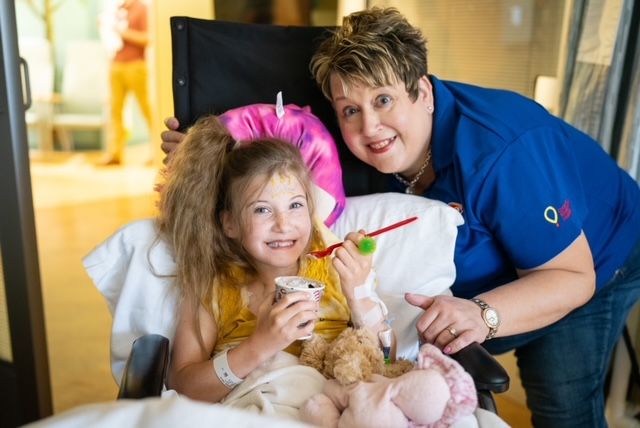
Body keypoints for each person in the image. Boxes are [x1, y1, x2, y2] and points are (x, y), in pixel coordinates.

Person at [160, 7, 640, 426]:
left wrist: (483, 312)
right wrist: (204, 159)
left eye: (384, 100)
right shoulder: (348, 141)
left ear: (424, 93)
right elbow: (274, 151)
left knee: (560, 398)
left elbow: (572, 277)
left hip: (589, 257)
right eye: (350, 110)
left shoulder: (504, 151)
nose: (369, 128)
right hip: (296, 381)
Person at [157, 114, 390, 404]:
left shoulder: (338, 274)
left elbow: (387, 360)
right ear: (229, 224)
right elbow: (184, 387)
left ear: (311, 212)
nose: (283, 224)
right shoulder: (213, 288)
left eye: (295, 205)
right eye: (262, 210)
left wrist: (360, 296)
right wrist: (260, 345)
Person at [100, 0, 152, 165]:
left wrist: (123, 33)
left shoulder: (142, 9)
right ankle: (115, 154)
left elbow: (147, 38)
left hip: (135, 66)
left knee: (147, 110)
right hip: (115, 64)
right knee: (115, 111)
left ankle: (157, 152)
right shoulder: (117, 10)